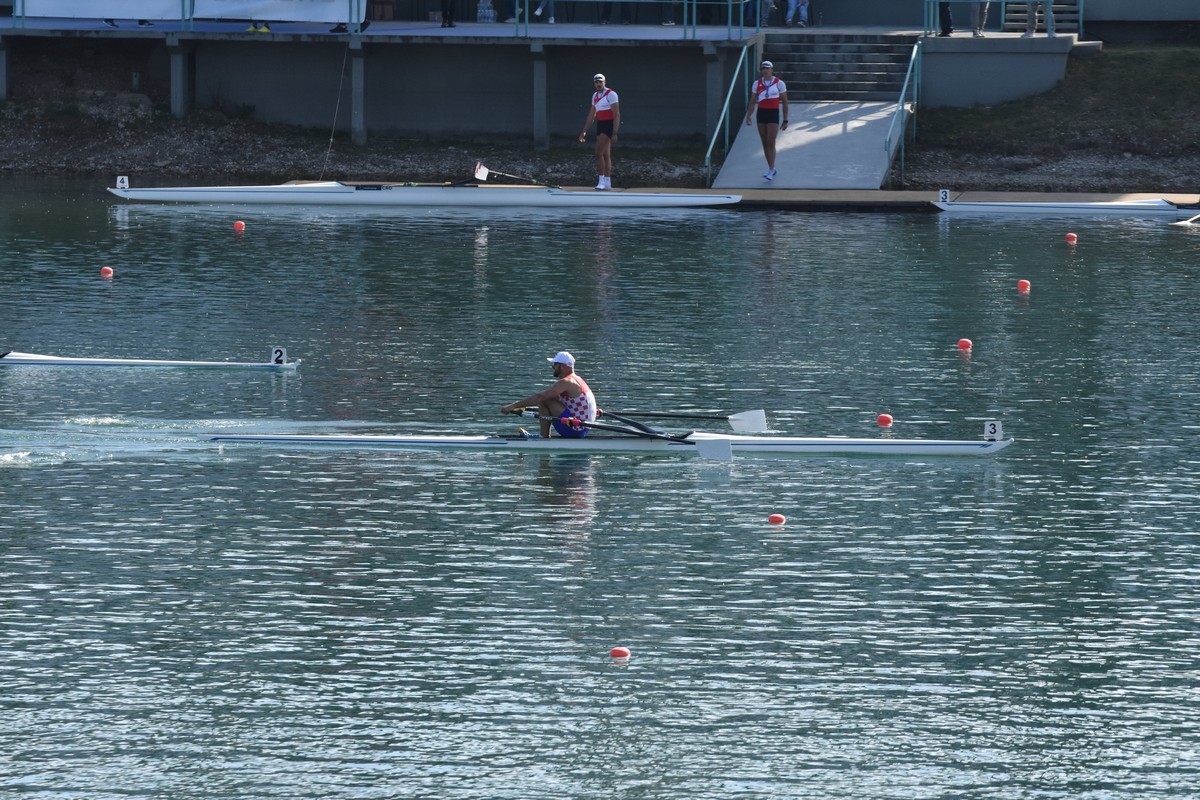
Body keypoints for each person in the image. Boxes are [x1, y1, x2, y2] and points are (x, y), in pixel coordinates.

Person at [500, 351, 597, 439]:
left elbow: (540, 397)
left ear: (562, 366)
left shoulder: (567, 382)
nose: (553, 367)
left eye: (555, 364)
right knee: (549, 398)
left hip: (575, 429)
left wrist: (514, 405)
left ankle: (543, 436)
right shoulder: (578, 379)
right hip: (583, 428)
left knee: (544, 399)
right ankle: (544, 435)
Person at [744, 60, 788, 181]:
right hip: (761, 113)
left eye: (768, 68)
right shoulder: (756, 83)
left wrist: (785, 120)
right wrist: (748, 116)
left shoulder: (779, 83)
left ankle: (772, 168)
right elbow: (752, 101)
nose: (765, 70)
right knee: (764, 142)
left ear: (772, 70)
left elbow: (785, 102)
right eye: (763, 68)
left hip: (773, 113)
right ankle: (771, 168)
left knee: (770, 141)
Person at [579, 73, 620, 191]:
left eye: (600, 82)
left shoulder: (611, 94)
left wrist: (615, 132)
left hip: (609, 125)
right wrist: (584, 131)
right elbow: (592, 115)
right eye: (596, 82)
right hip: (600, 124)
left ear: (604, 82)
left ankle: (601, 182)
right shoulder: (595, 96)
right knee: (605, 155)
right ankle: (607, 183)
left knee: (598, 152)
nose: (598, 84)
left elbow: (616, 114)